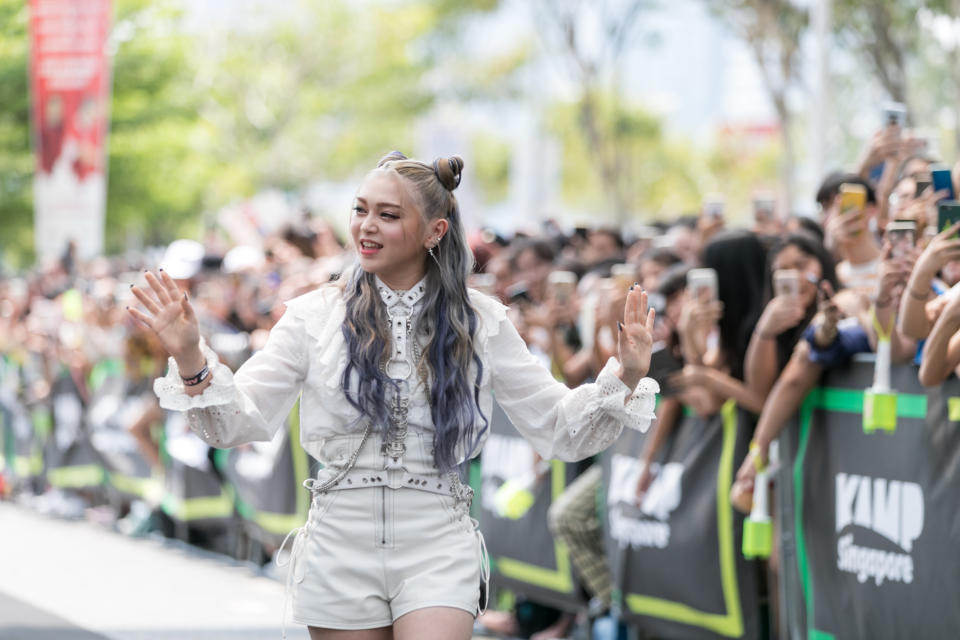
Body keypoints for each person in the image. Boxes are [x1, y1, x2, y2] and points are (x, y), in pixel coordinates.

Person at [127, 151, 660, 640]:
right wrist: (191, 356)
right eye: (360, 210)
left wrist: (625, 374)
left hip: (437, 540)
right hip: (339, 540)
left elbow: (558, 426)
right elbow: (238, 423)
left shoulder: (482, 321)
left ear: (435, 230)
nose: (367, 226)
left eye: (388, 214)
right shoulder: (312, 316)